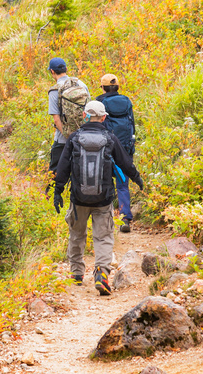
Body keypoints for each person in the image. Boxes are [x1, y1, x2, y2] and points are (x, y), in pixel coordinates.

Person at [53, 100, 143, 295]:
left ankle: (76, 274)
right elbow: (125, 163)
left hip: (78, 199)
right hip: (103, 199)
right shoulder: (110, 138)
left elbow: (63, 167)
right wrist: (137, 178)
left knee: (77, 234)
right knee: (103, 237)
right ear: (103, 118)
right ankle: (101, 273)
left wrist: (58, 191)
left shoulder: (75, 138)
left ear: (84, 115)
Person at [96, 73, 137, 232]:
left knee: (104, 183)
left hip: (107, 147)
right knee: (122, 184)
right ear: (118, 87)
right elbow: (132, 124)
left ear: (103, 87)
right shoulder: (126, 101)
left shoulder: (100, 102)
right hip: (125, 148)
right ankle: (125, 218)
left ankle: (105, 221)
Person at [47, 57, 90, 176]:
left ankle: (51, 194)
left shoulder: (54, 90)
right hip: (83, 138)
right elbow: (88, 109)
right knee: (79, 173)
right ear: (66, 68)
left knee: (55, 173)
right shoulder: (81, 84)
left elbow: (56, 119)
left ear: (52, 71)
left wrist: (69, 137)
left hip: (62, 140)